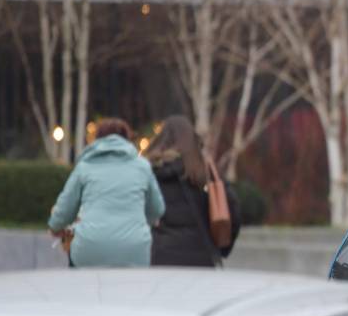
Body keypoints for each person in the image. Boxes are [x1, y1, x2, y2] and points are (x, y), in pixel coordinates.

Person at [47, 118, 164, 268]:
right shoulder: (142, 166)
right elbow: (158, 209)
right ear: (127, 140)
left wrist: (55, 227)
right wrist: (140, 223)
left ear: (97, 141)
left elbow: (64, 210)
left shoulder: (85, 166)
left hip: (89, 249)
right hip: (134, 250)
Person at [144, 115, 241, 267]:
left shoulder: (148, 172)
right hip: (201, 260)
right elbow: (231, 211)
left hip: (158, 258)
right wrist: (221, 247)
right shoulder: (205, 173)